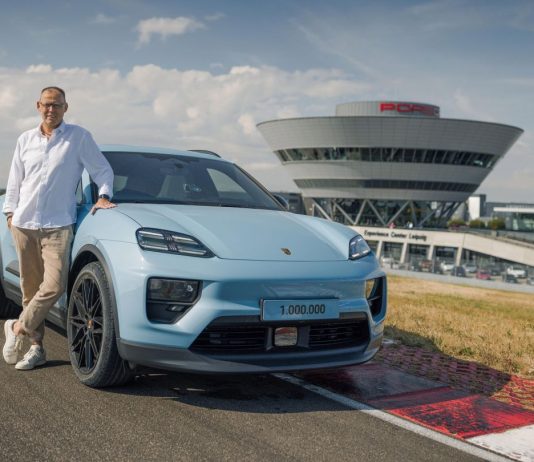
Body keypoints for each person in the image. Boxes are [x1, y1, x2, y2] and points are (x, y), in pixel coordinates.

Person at [2, 86, 115, 370]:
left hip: (58, 225)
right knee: (30, 290)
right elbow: (15, 179)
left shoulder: (79, 138)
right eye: (47, 104)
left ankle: (16, 327)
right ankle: (36, 348)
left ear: (66, 107)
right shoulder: (25, 139)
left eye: (57, 105)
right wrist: (10, 213)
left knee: (53, 286)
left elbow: (102, 169)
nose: (51, 109)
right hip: (24, 224)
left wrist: (104, 196)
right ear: (38, 106)